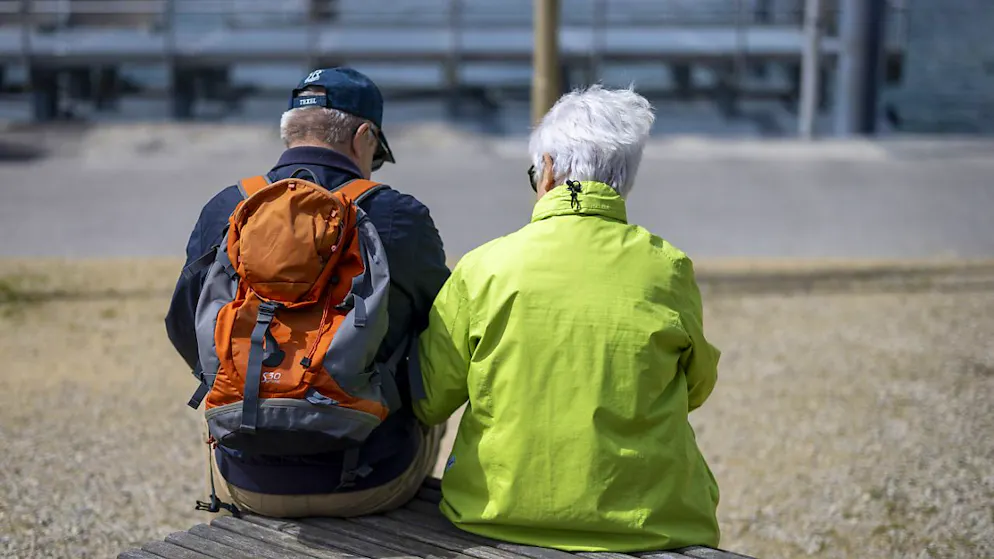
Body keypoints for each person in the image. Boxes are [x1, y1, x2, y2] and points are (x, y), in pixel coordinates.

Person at [413, 85, 721, 551]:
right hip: (649, 521)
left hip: (494, 511)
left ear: (549, 172)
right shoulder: (668, 268)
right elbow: (695, 387)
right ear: (624, 181)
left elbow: (430, 399)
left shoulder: (485, 266)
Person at [165, 67, 449, 517]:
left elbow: (184, 324)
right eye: (375, 153)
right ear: (363, 137)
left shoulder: (227, 208)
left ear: (289, 133)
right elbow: (444, 329)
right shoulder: (398, 214)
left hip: (246, 478)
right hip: (373, 479)